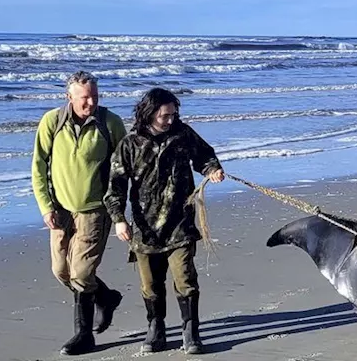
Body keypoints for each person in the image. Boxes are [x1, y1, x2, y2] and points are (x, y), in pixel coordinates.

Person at [105, 87, 224, 355]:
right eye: (165, 116)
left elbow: (204, 155)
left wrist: (213, 169)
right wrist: (119, 220)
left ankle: (191, 331)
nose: (171, 120)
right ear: (149, 113)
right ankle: (156, 328)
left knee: (185, 279)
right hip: (145, 229)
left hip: (180, 223)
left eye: (174, 114)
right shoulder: (130, 144)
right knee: (150, 285)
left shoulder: (183, 134)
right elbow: (116, 186)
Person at [30, 70, 127, 355]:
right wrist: (46, 206)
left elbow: (125, 167)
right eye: (85, 98)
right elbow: (38, 167)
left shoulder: (110, 123)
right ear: (69, 97)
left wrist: (120, 209)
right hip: (60, 211)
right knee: (61, 271)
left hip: (95, 210)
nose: (90, 103)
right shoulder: (52, 121)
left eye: (95, 97)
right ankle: (107, 298)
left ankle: (83, 335)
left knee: (82, 274)